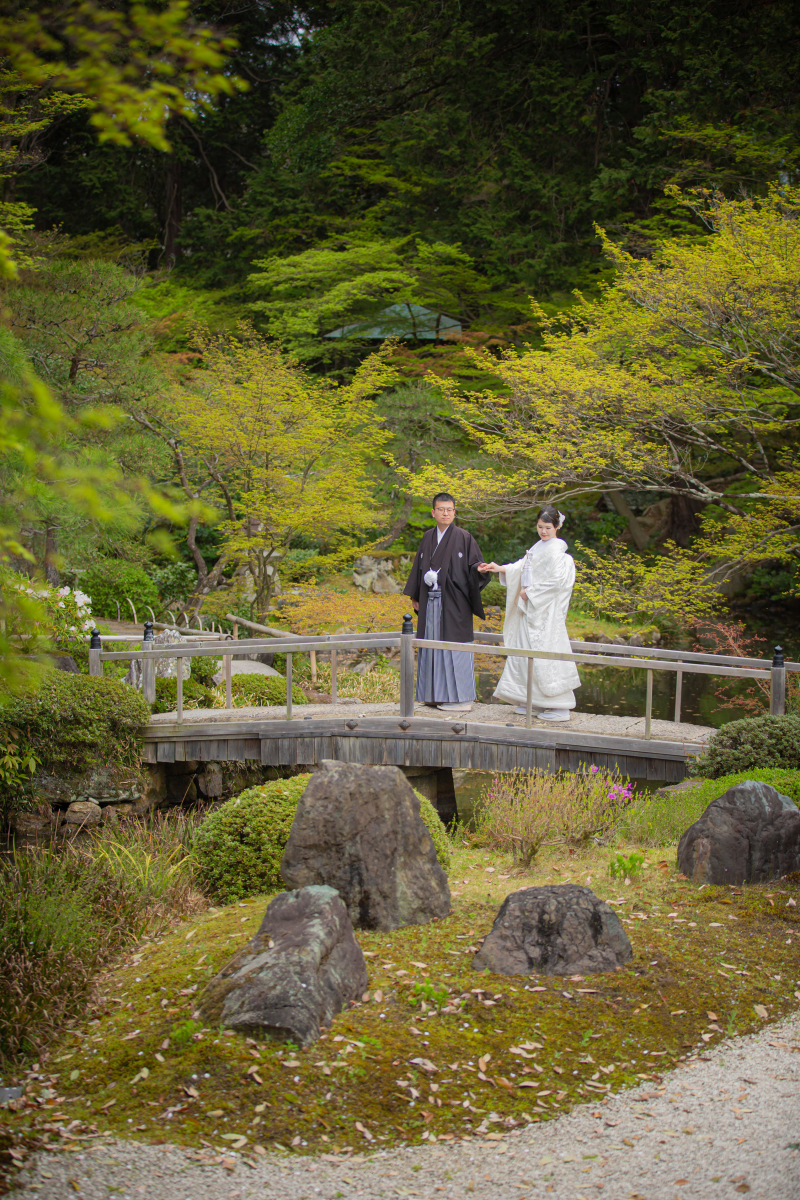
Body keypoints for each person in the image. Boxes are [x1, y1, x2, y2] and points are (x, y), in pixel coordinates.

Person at [478, 505, 580, 720]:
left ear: (557, 526)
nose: (543, 532)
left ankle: (559, 705)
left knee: (545, 656)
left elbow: (557, 583)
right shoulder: (537, 548)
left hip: (545, 613)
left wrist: (530, 593)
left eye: (548, 528)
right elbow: (521, 567)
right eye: (540, 527)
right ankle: (531, 700)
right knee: (525, 654)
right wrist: (501, 568)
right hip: (529, 611)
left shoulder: (561, 556)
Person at [403, 492, 488, 711]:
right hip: (430, 602)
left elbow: (474, 565)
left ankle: (459, 699)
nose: (446, 513)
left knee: (454, 647)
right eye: (441, 509)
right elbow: (417, 567)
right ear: (433, 512)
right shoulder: (427, 537)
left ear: (454, 512)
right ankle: (432, 694)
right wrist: (415, 595)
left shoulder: (464, 537)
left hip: (454, 604)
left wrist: (477, 570)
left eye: (450, 510)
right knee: (431, 645)